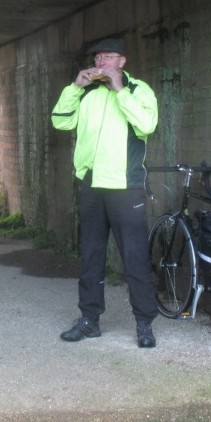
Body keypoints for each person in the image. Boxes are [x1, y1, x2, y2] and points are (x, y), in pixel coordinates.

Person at [51, 37, 160, 348]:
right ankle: (89, 320)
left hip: (126, 186)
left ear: (122, 62)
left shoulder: (138, 91)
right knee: (91, 257)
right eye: (98, 58)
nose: (102, 64)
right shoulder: (85, 93)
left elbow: (147, 124)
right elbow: (60, 122)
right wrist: (74, 87)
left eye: (109, 58)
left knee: (135, 257)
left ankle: (144, 323)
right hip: (92, 185)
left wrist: (120, 91)